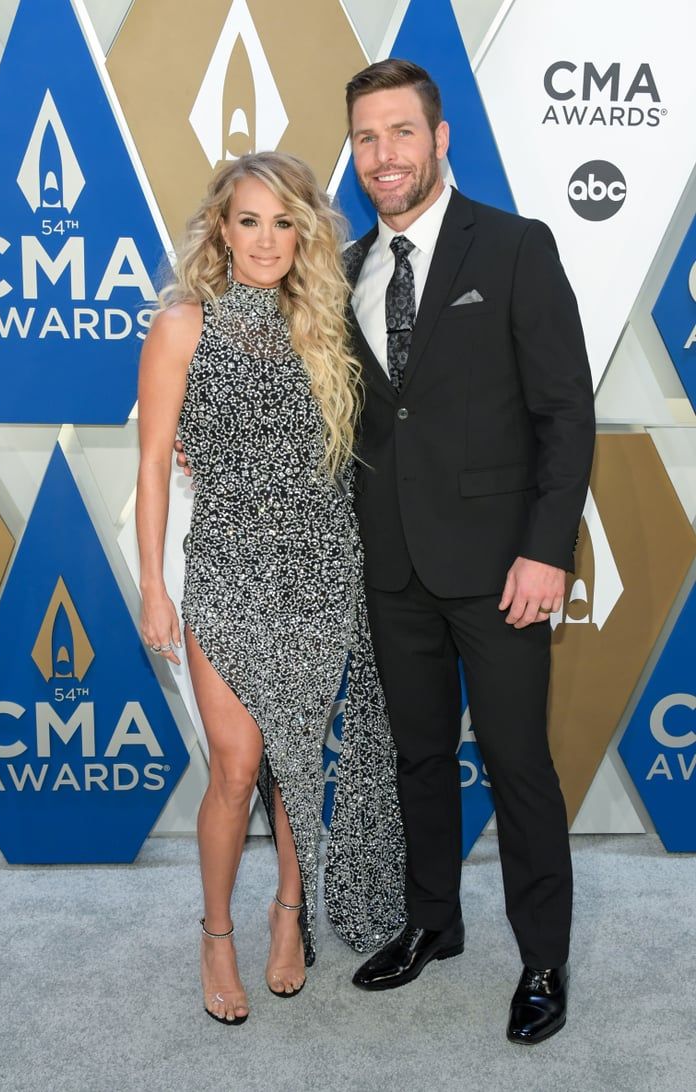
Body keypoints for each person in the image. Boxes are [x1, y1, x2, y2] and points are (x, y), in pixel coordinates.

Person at [340, 59, 595, 1045]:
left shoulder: (516, 247)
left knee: (517, 761)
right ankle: (430, 923)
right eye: (365, 139)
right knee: (417, 759)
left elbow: (564, 415)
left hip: (499, 569)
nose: (382, 156)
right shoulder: (350, 265)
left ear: (439, 140)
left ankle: (541, 957)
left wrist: (545, 551)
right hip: (391, 564)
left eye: (400, 133)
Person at [136, 151, 404, 1027]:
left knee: (296, 764)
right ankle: (216, 934)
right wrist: (152, 586)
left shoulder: (327, 320)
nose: (267, 240)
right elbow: (151, 466)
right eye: (249, 220)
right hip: (226, 565)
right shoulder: (184, 323)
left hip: (323, 567)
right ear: (221, 226)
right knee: (239, 764)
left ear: (306, 232)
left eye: (285, 222)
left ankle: (288, 913)